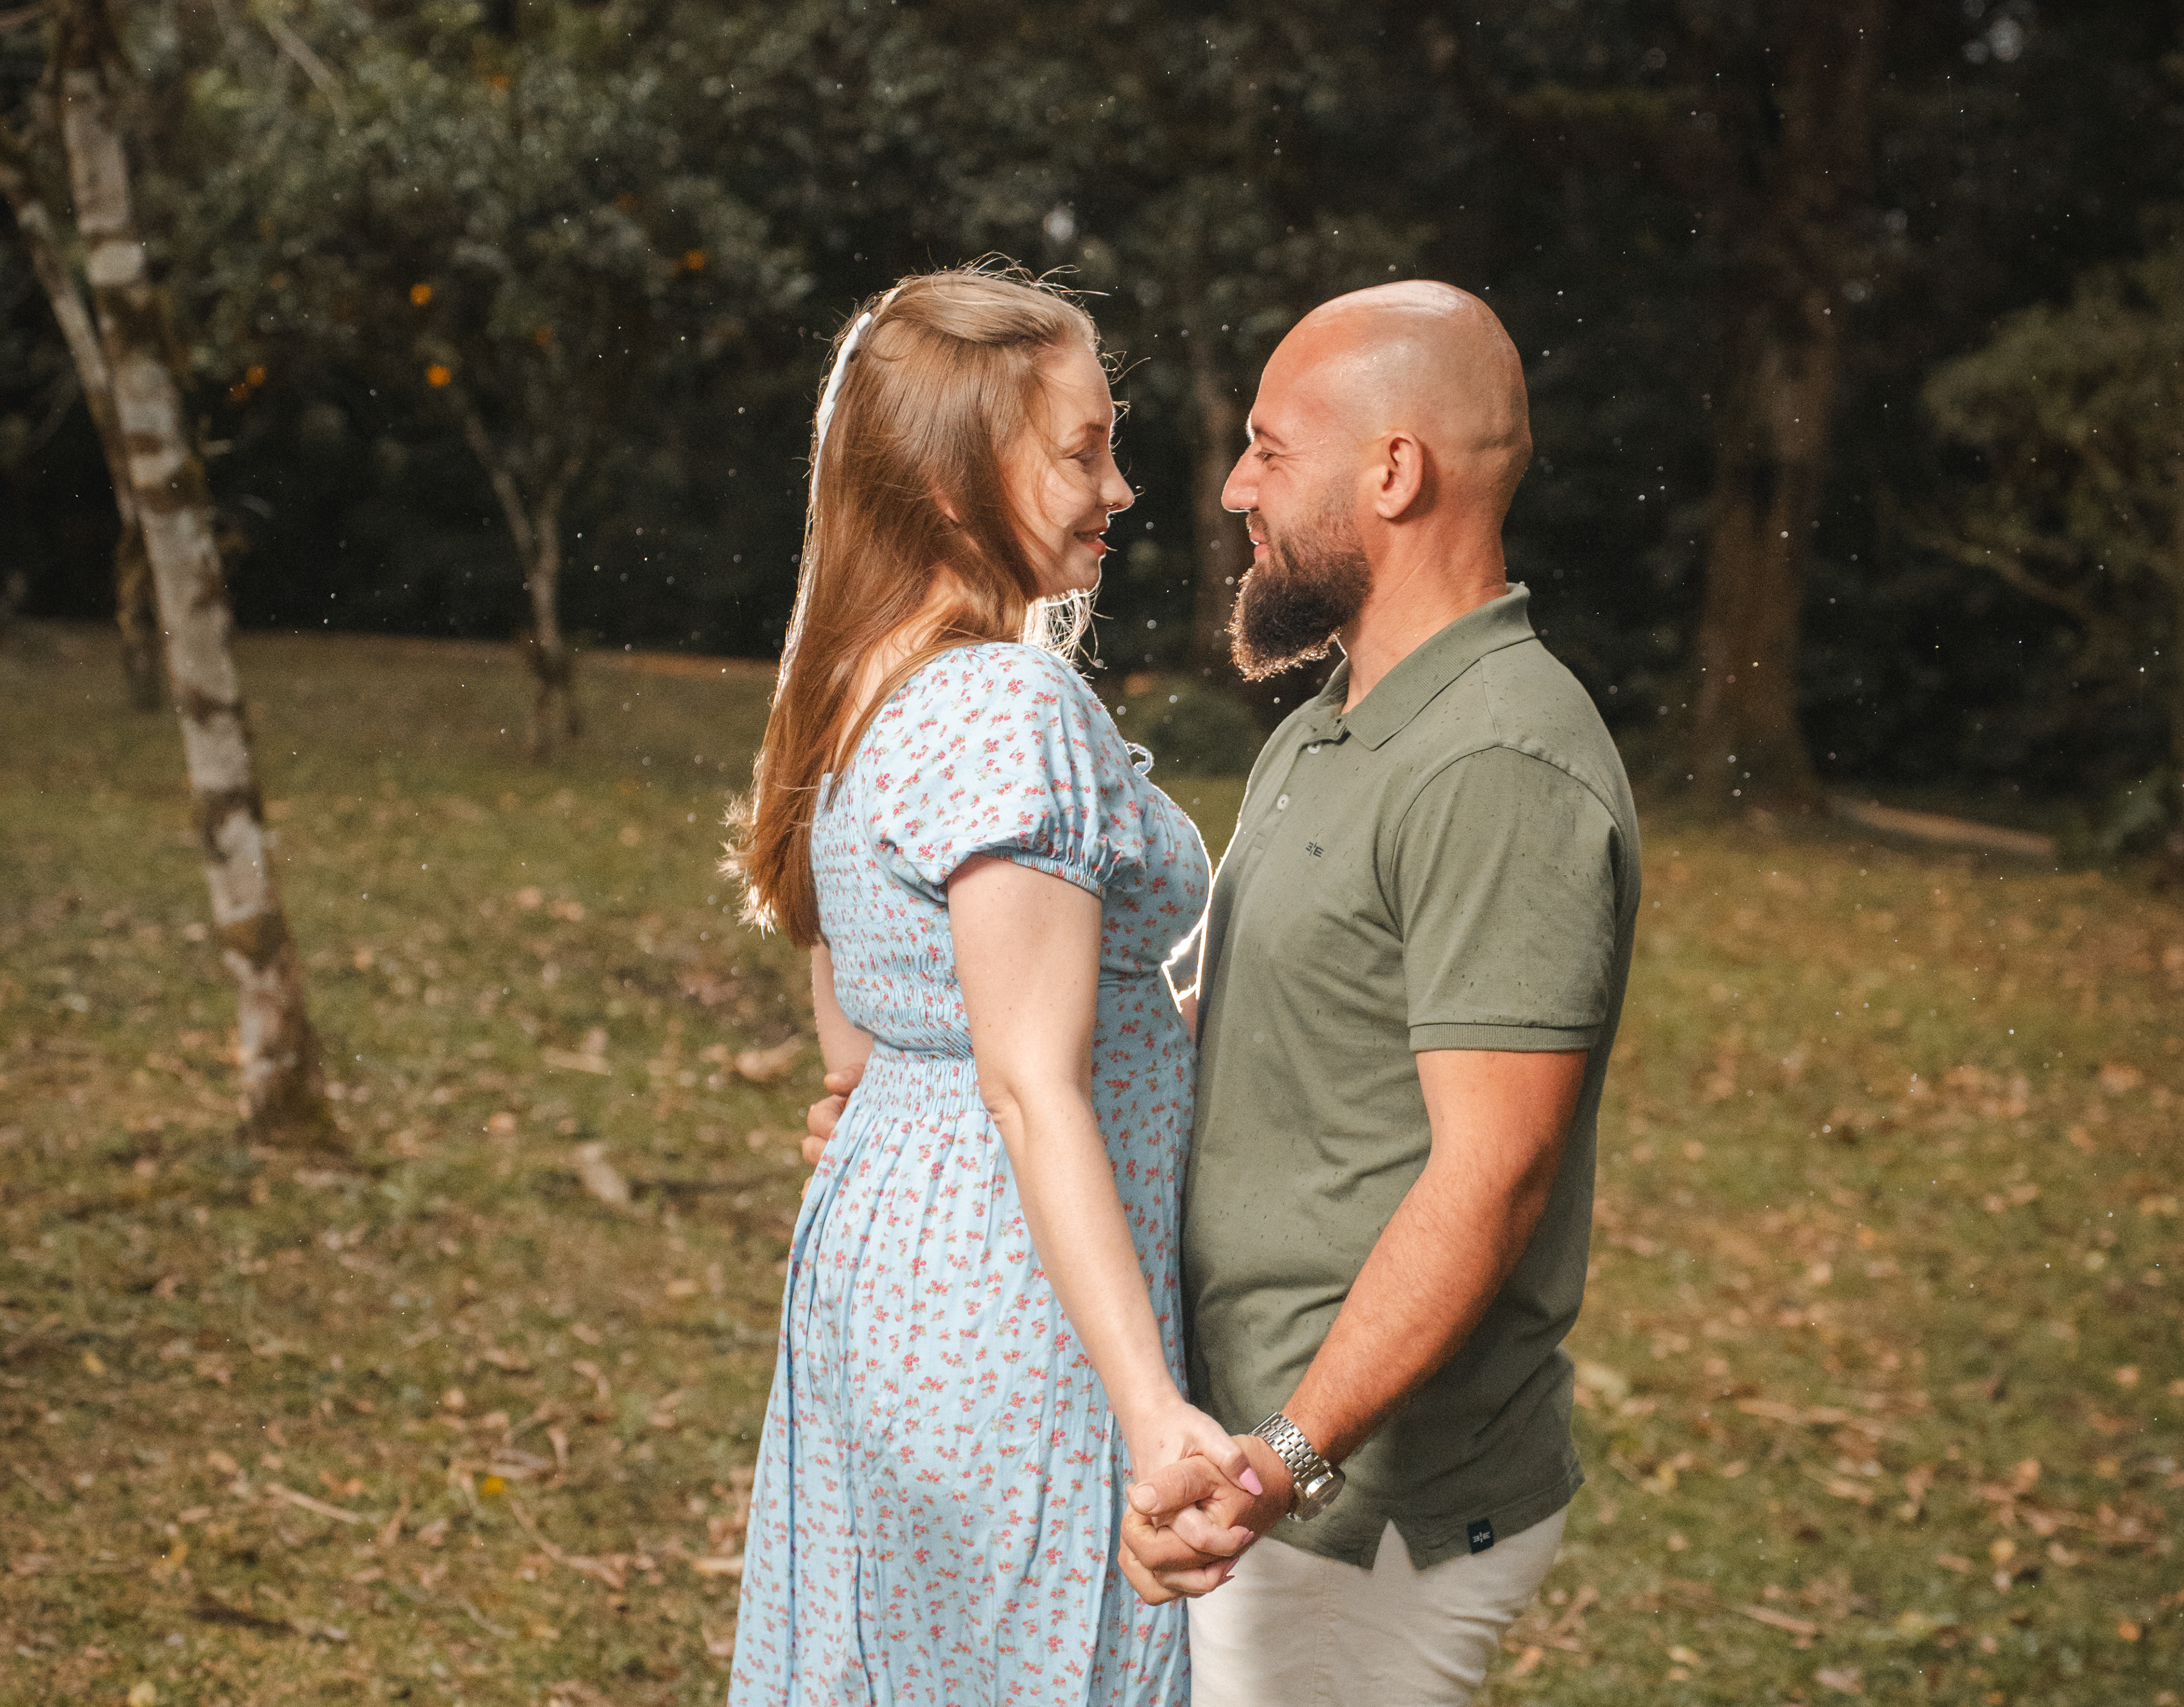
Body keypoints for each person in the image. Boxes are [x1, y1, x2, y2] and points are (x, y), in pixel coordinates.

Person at [724, 263, 1253, 1706]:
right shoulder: (1005, 703)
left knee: (901, 1659)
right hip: (1022, 1295)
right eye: (1084, 451)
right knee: (1032, 1659)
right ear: (955, 478)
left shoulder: (854, 683)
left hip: (889, 1268)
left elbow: (866, 1047)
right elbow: (1027, 1082)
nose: (1121, 488)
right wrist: (1153, 1412)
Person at [1114, 281, 1643, 1706]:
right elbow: (1234, 1034)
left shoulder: (1498, 763)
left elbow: (1496, 1173)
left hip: (1358, 1509)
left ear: (1394, 472)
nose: (1237, 487)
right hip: (1257, 1455)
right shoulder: (1327, 729)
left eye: (1270, 448)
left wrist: (1287, 1458)